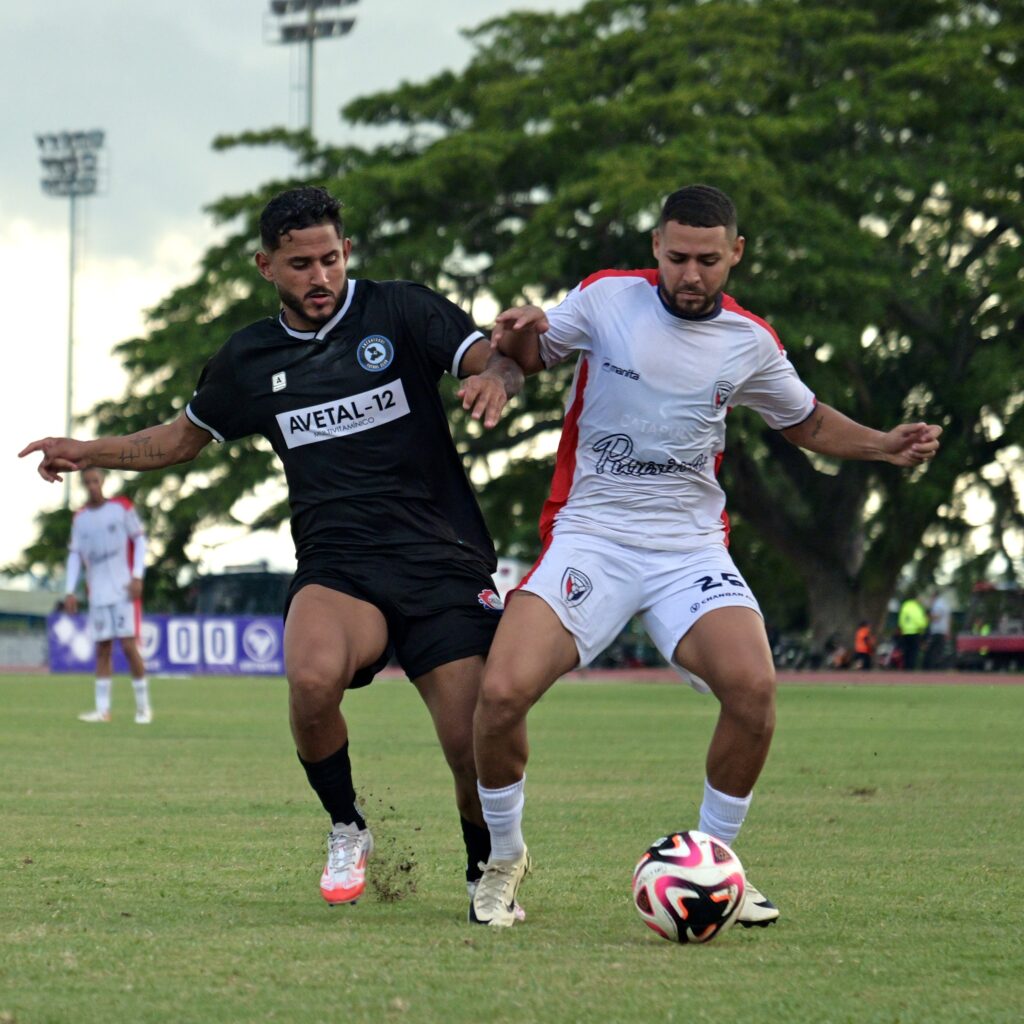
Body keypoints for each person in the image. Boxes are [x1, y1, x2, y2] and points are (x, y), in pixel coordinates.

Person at [21, 186, 529, 911]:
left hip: (440, 559)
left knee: (467, 740)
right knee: (312, 679)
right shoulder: (250, 359)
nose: (318, 277)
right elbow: (174, 440)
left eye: (330, 259)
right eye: (299, 264)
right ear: (266, 266)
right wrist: (85, 449)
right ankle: (347, 824)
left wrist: (495, 375)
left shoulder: (402, 310)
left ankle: (486, 871)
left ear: (347, 252)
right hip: (340, 564)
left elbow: (491, 358)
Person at [468, 184, 942, 928]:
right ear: (656, 245)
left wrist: (883, 445)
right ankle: (503, 860)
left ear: (736, 255)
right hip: (591, 536)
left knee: (754, 692)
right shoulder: (605, 299)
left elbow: (808, 422)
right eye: (679, 257)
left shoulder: (750, 342)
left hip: (688, 549)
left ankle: (716, 865)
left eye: (709, 260)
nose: (692, 275)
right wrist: (517, 340)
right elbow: (531, 357)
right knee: (498, 698)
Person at [63, 467, 152, 724]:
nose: (92, 486)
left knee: (128, 645)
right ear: (83, 485)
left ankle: (143, 708)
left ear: (102, 481)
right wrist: (70, 590)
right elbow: (74, 556)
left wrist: (137, 576)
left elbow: (141, 541)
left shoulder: (122, 508)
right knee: (103, 648)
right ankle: (103, 710)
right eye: (87, 482)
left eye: (96, 481)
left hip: (123, 589)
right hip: (98, 592)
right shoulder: (80, 519)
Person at [897, 594, 929, 671]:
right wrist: (925, 625)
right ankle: (910, 668)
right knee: (913, 651)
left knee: (906, 650)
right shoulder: (917, 608)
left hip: (905, 631)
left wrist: (902, 627)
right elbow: (919, 620)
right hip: (915, 631)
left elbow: (901, 618)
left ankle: (905, 667)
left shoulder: (906, 605)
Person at [926, 590, 953, 668]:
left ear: (934, 596)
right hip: (943, 630)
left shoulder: (937, 605)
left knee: (932, 651)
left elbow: (937, 617)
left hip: (936, 630)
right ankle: (938, 668)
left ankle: (931, 668)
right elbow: (949, 619)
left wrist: (928, 617)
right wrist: (948, 631)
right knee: (939, 651)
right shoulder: (945, 604)